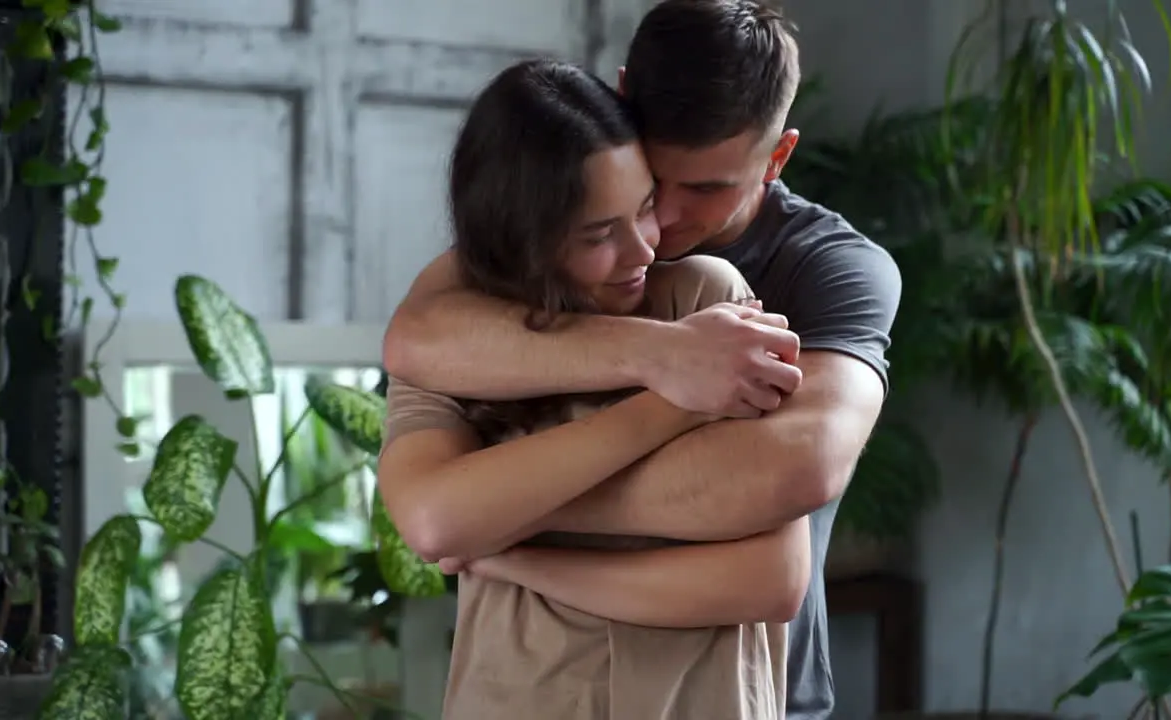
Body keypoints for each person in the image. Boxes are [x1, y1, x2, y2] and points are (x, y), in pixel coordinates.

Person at [381, 1, 902, 718]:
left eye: (707, 189)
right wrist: (675, 366)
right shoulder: (510, 267)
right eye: (656, 184)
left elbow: (798, 469)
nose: (664, 229)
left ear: (776, 156)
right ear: (624, 104)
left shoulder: (813, 272)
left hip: (745, 682)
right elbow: (416, 341)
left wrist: (508, 515)